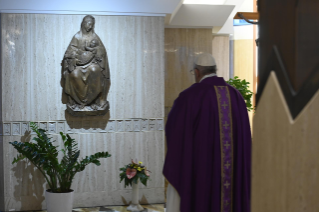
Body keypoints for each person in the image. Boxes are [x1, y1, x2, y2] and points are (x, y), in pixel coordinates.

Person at [163, 53, 251, 212]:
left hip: (202, 171)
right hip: (231, 173)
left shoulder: (189, 97)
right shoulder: (236, 97)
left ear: (197, 72)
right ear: (214, 70)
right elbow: (244, 140)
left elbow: (174, 132)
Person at [63, 15, 110, 111]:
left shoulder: (95, 37)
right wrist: (76, 56)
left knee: (95, 70)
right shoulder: (77, 37)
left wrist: (96, 52)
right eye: (88, 24)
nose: (90, 26)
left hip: (92, 63)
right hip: (78, 64)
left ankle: (92, 101)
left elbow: (102, 51)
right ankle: (80, 101)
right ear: (83, 24)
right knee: (74, 74)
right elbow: (69, 52)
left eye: (92, 25)